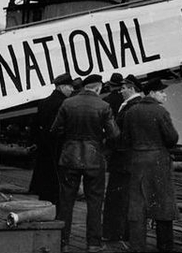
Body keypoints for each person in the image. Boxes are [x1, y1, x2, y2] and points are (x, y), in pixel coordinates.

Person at [51, 74, 119, 253]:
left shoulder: (68, 104)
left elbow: (55, 129)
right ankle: (93, 243)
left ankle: (63, 242)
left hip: (69, 157)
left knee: (66, 202)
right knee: (95, 202)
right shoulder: (104, 106)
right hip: (94, 158)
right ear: (98, 88)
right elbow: (114, 135)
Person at [122, 78, 179, 253]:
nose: (165, 95)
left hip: (138, 161)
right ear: (152, 93)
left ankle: (137, 247)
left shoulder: (131, 111)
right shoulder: (160, 112)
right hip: (158, 163)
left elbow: (125, 138)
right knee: (163, 205)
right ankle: (165, 246)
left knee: (138, 206)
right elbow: (172, 138)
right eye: (162, 92)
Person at [102, 74, 144, 244]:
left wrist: (109, 139)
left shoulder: (132, 107)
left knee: (117, 198)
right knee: (124, 197)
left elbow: (125, 136)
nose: (121, 91)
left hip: (123, 160)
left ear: (132, 89)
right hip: (128, 161)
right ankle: (123, 232)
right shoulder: (131, 105)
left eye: (124, 88)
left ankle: (114, 233)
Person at [29, 73, 74, 205]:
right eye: (70, 87)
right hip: (58, 148)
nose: (72, 90)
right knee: (56, 185)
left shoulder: (44, 102)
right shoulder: (64, 103)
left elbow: (35, 125)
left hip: (44, 148)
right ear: (61, 87)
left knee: (45, 183)